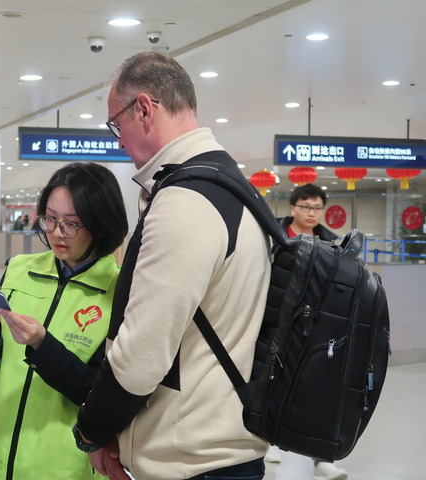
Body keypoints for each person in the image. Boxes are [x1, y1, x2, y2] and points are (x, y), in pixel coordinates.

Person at [73, 51, 271, 480]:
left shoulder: (186, 202)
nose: (118, 141)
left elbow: (141, 355)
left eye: (116, 125)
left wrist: (91, 431)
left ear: (144, 108)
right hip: (219, 450)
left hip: (195, 463)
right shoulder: (232, 187)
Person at [0, 162, 129, 480]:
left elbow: (98, 394)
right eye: (50, 219)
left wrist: (42, 344)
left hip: (61, 470)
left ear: (102, 224)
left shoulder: (121, 293)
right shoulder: (19, 270)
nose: (55, 232)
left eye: (71, 224)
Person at [274, 183, 347, 480]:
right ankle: (269, 442)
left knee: (314, 388)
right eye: (305, 207)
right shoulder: (275, 235)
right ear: (293, 208)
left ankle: (318, 459)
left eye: (317, 208)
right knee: (271, 384)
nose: (311, 213)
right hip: (275, 319)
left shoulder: (331, 242)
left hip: (314, 323)